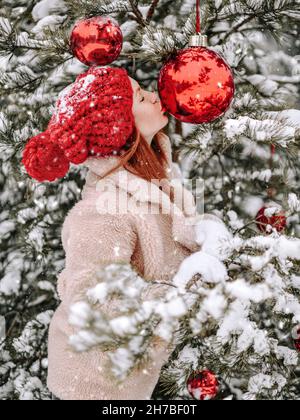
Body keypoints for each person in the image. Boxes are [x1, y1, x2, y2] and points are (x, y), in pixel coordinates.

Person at [22, 66, 226, 400]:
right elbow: (93, 299)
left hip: (133, 373)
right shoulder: (105, 208)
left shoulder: (153, 181)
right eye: (140, 96)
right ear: (120, 127)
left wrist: (208, 239)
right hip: (95, 383)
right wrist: (176, 297)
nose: (153, 95)